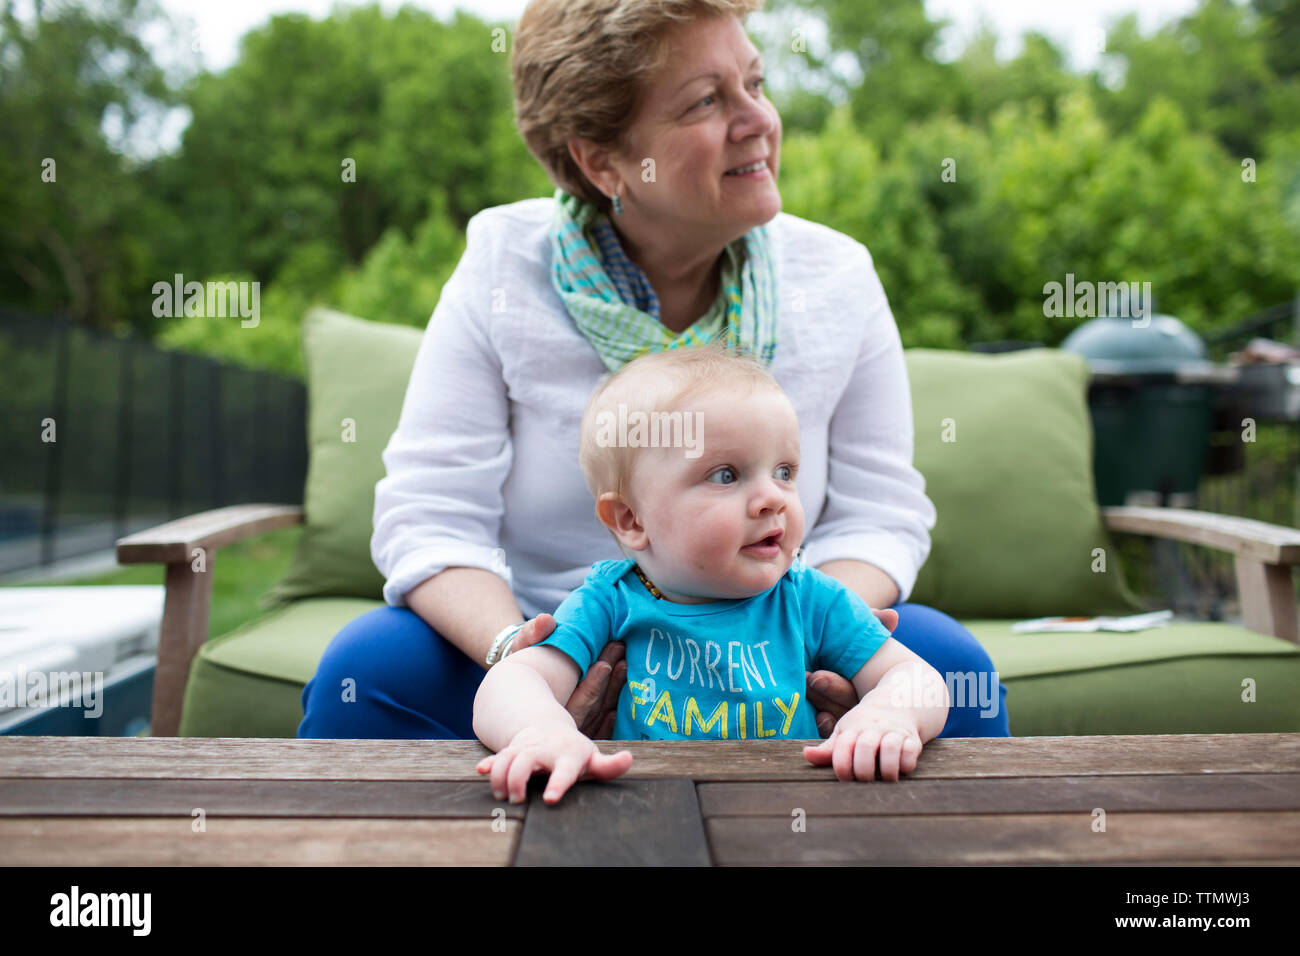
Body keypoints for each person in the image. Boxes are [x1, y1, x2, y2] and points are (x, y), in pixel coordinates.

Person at [298, 0, 1009, 741]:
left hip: (780, 631)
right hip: (555, 641)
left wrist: (796, 647)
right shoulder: (501, 264)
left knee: (949, 662)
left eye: (755, 84)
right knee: (372, 666)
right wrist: (527, 670)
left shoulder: (835, 275)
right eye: (706, 100)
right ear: (602, 160)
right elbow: (431, 518)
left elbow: (881, 514)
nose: (758, 120)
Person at [473, 344, 951, 805]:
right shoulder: (610, 601)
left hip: (796, 807)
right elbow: (512, 681)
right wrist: (541, 730)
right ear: (632, 520)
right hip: (645, 806)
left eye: (784, 471)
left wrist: (889, 712)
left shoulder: (808, 598)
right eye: (726, 475)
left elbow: (915, 677)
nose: (774, 498)